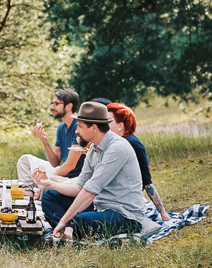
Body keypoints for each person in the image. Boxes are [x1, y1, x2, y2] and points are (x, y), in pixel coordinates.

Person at [34, 101, 157, 240]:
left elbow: (91, 191)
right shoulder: (93, 148)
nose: (76, 131)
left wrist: (64, 220)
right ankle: (68, 231)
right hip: (99, 206)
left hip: (124, 215)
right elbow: (80, 186)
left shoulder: (117, 148)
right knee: (49, 197)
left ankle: (67, 229)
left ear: (93, 127)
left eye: (79, 126)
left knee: (79, 220)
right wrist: (49, 183)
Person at [107, 102, 171, 221]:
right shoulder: (113, 143)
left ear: (120, 125)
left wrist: (163, 213)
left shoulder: (133, 145)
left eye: (108, 121)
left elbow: (147, 181)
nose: (104, 125)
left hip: (125, 201)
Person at [16, 88, 79, 189]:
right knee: (24, 161)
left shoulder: (79, 127)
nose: (52, 107)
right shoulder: (61, 127)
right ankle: (29, 195)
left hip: (74, 178)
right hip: (62, 173)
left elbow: (70, 165)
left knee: (49, 183)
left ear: (69, 106)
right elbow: (54, 162)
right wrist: (44, 141)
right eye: (52, 103)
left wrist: (47, 180)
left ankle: (39, 193)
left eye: (56, 104)